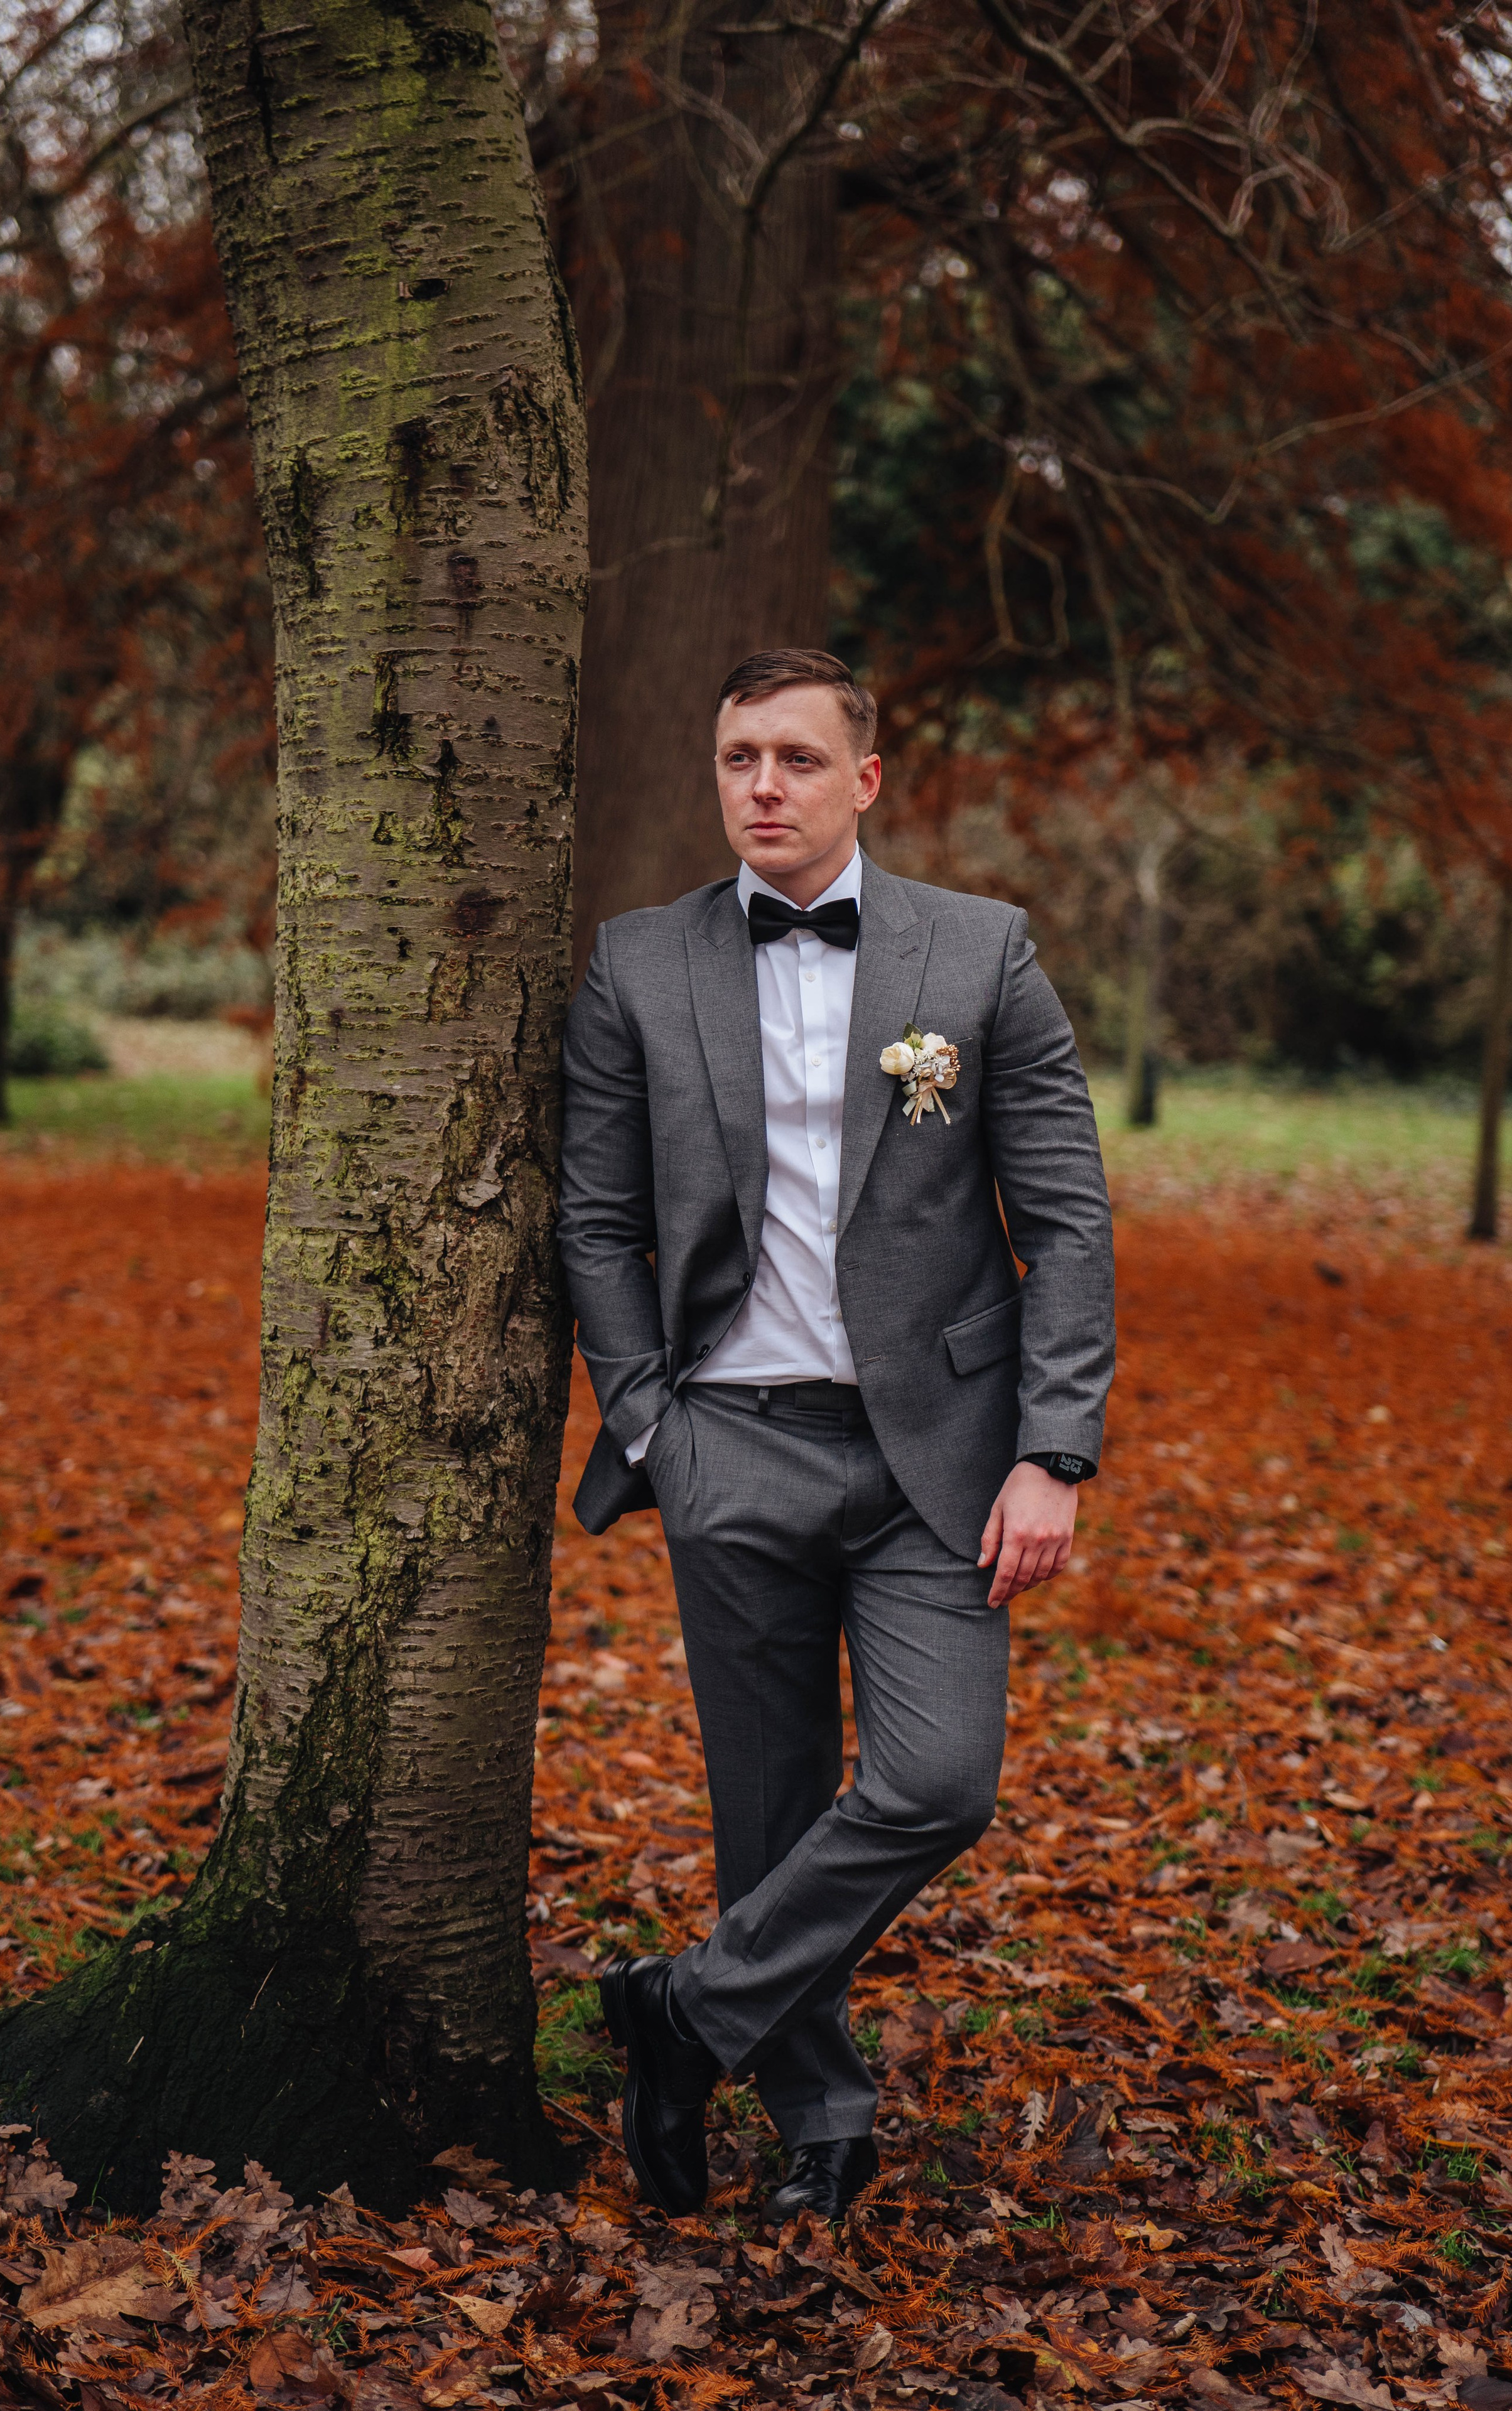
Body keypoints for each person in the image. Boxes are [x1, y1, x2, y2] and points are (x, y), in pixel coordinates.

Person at [558, 648, 1115, 2223]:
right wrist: (652, 1424)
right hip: (727, 1442)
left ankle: (681, 2014)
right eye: (739, 759)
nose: (763, 789)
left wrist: (1052, 1448)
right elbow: (595, 1224)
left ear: (863, 780)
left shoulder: (978, 956)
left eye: (797, 760)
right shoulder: (637, 967)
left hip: (938, 1460)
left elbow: (1065, 1225)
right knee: (769, 1806)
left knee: (939, 1784)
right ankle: (819, 2119)